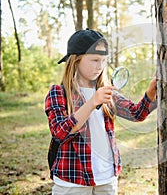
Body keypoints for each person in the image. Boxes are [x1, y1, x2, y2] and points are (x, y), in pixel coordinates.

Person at [44, 28, 157, 195]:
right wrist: (92, 102)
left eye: (103, 60)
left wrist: (151, 92)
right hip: (73, 181)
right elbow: (59, 133)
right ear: (76, 60)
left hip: (107, 178)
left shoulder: (106, 92)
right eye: (94, 60)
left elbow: (137, 113)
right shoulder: (59, 93)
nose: (100, 66)